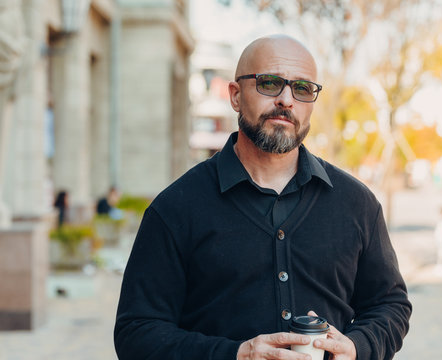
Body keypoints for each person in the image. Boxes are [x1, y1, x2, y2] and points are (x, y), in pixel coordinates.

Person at [114, 35, 411, 360]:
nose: (286, 100)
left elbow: (389, 304)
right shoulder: (175, 208)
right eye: (270, 83)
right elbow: (137, 333)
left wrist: (357, 347)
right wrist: (235, 354)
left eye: (302, 88)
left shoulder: (357, 203)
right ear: (236, 95)